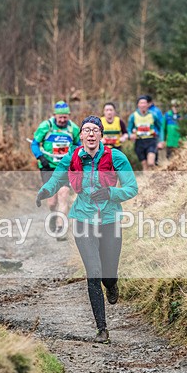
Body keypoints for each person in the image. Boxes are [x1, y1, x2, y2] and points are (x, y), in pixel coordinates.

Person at [36, 115, 138, 344]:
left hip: (110, 220)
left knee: (108, 274)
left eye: (95, 130)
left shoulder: (116, 157)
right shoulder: (72, 157)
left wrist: (111, 193)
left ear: (101, 134)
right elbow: (56, 179)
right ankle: (102, 328)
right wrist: (45, 191)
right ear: (80, 135)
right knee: (93, 272)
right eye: (86, 130)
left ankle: (111, 285)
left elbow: (132, 188)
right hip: (83, 219)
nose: (91, 134)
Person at [31, 101, 81, 237]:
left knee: (64, 193)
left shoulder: (73, 129)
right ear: (54, 115)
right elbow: (34, 144)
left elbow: (79, 145)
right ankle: (53, 215)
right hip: (48, 167)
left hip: (64, 167)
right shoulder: (46, 126)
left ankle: (60, 228)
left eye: (65, 117)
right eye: (60, 117)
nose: (63, 120)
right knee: (52, 201)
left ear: (69, 115)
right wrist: (40, 157)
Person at [127, 95, 163, 170]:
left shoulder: (153, 115)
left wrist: (161, 141)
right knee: (144, 164)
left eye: (145, 103)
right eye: (141, 103)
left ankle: (156, 173)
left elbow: (160, 127)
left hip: (151, 141)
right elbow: (129, 129)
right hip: (139, 142)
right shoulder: (133, 116)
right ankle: (148, 177)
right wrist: (130, 135)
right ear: (138, 105)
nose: (143, 105)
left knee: (151, 163)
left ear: (148, 105)